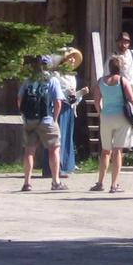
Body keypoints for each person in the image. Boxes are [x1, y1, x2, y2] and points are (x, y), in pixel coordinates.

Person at [90, 54, 133, 193]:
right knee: (117, 151)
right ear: (120, 68)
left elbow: (96, 100)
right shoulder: (122, 80)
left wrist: (101, 112)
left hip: (106, 116)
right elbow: (132, 99)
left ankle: (100, 182)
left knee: (105, 151)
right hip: (121, 116)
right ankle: (114, 185)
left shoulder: (101, 81)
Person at [17, 56, 64, 192]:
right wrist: (54, 118)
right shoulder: (52, 80)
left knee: (29, 151)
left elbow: (19, 99)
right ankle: (55, 182)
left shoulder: (28, 81)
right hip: (47, 119)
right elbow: (58, 102)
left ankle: (27, 183)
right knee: (54, 149)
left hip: (30, 119)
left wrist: (24, 115)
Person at [42, 47, 87, 181]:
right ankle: (54, 168)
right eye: (70, 57)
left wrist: (80, 93)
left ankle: (65, 165)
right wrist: (69, 94)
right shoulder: (56, 75)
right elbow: (56, 93)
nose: (73, 60)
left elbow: (72, 98)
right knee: (57, 138)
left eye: (74, 57)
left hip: (68, 109)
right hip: (58, 108)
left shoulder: (72, 76)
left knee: (66, 137)